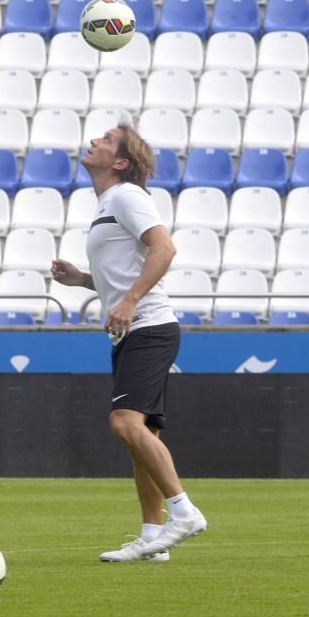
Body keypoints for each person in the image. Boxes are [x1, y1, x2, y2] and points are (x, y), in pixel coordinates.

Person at [51, 124, 207, 562]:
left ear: (120, 161)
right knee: (141, 437)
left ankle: (185, 512)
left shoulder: (127, 196)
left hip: (149, 328)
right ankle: (153, 539)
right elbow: (119, 275)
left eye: (104, 139)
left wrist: (131, 301)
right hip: (135, 330)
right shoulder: (107, 204)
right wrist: (82, 280)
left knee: (124, 424)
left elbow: (164, 249)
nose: (93, 141)